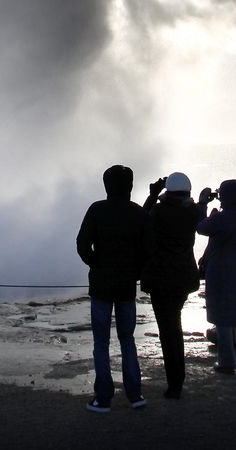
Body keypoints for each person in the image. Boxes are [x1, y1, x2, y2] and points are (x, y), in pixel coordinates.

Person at [76, 164, 150, 412]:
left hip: (101, 285)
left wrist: (96, 263)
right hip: (127, 285)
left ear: (107, 185)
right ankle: (135, 394)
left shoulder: (97, 210)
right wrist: (135, 272)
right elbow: (147, 249)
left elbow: (82, 244)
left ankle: (103, 398)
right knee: (128, 339)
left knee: (101, 342)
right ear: (129, 185)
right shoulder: (138, 213)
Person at [141, 172, 206, 398]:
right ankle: (178, 378)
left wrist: (152, 195)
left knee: (167, 330)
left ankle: (175, 383)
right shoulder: (192, 212)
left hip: (160, 279)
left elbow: (140, 221)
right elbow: (200, 214)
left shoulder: (158, 212)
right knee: (174, 326)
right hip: (183, 277)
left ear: (167, 191)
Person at [197, 179, 236, 374]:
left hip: (219, 268)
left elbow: (201, 227)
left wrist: (204, 205)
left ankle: (227, 362)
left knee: (222, 317)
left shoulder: (219, 219)